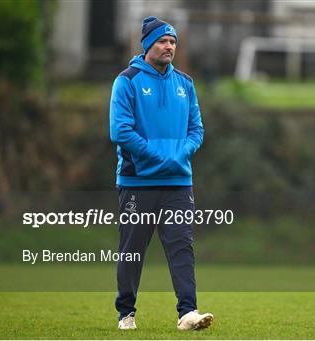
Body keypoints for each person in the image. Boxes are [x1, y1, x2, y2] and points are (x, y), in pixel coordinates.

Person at [109, 16, 213, 331]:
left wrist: (180, 154)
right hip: (137, 182)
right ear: (147, 45)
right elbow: (120, 131)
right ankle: (126, 313)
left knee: (182, 246)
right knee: (132, 251)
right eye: (162, 41)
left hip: (178, 183)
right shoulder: (126, 81)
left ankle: (188, 313)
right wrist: (158, 156)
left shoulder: (186, 83)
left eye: (172, 42)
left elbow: (197, 129)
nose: (169, 46)